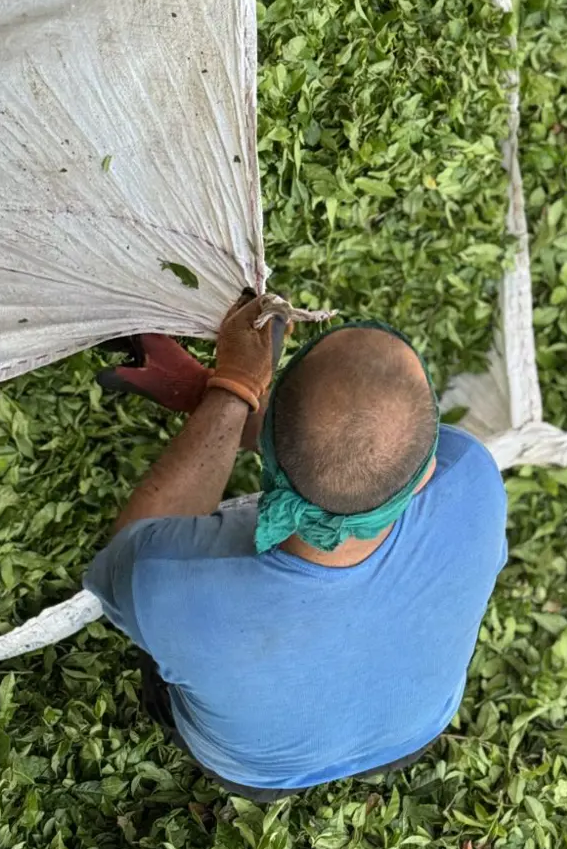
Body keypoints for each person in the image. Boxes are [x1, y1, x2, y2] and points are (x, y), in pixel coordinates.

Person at [86, 294, 508, 799]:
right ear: (426, 475)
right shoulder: (472, 475)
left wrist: (230, 391)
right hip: (413, 733)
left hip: (253, 772)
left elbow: (132, 547)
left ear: (263, 447)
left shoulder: (168, 581)